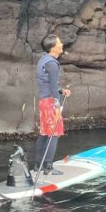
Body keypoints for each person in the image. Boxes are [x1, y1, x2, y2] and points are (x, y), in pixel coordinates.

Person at [33, 35, 71, 175]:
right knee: (54, 134)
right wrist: (57, 104)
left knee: (44, 134)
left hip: (44, 101)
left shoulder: (44, 60)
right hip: (50, 103)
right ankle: (48, 167)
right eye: (59, 42)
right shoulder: (52, 64)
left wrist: (61, 90)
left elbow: (49, 83)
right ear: (53, 47)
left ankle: (37, 165)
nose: (62, 44)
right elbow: (53, 86)